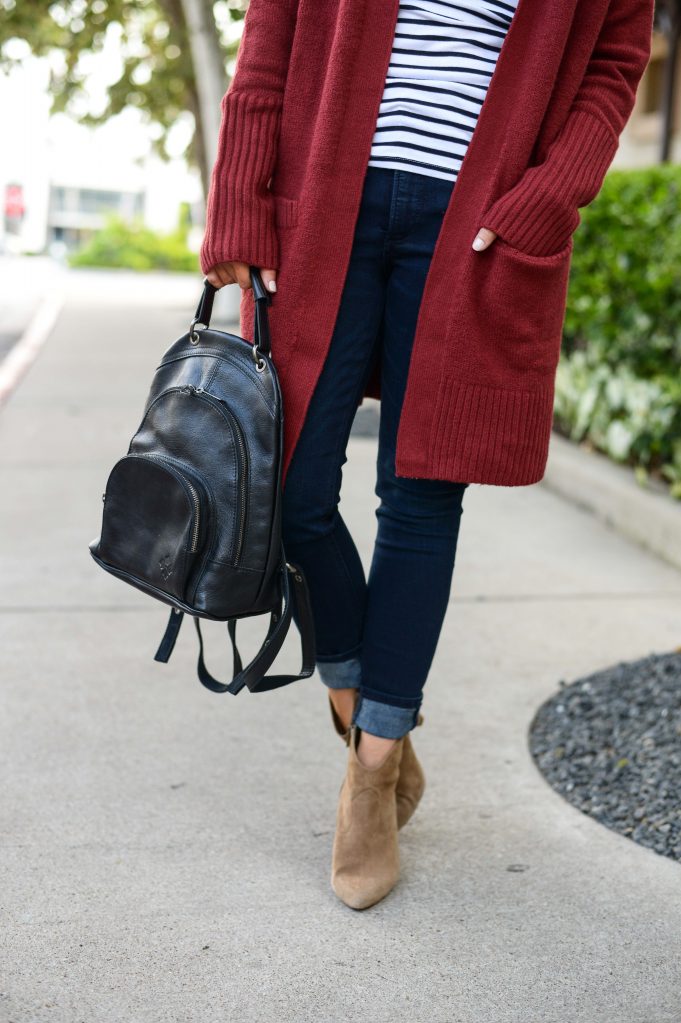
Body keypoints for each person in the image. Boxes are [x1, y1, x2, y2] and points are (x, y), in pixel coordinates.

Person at [200, 0, 654, 910]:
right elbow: (271, 36)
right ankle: (363, 709)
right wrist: (238, 206)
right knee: (287, 491)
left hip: (474, 222)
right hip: (324, 199)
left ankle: (370, 775)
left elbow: (613, 60)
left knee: (420, 498)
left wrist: (549, 192)